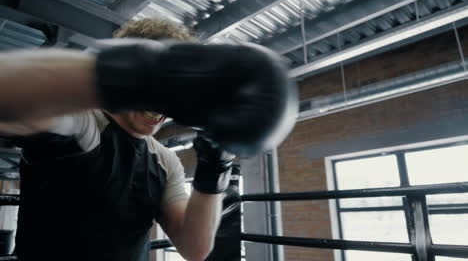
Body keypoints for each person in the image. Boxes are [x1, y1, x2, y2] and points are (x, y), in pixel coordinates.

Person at [0, 18, 297, 261]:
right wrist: (144, 76)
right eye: (158, 91)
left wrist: (216, 164)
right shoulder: (84, 122)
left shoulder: (164, 160)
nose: (161, 106)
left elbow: (194, 248)